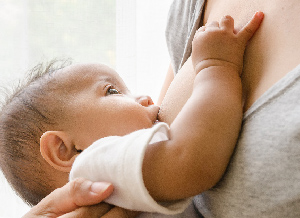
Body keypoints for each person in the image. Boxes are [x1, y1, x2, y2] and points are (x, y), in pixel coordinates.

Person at [0, 12, 263, 217]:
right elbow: (190, 159)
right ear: (65, 149)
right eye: (112, 91)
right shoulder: (94, 166)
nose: (145, 98)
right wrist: (216, 67)